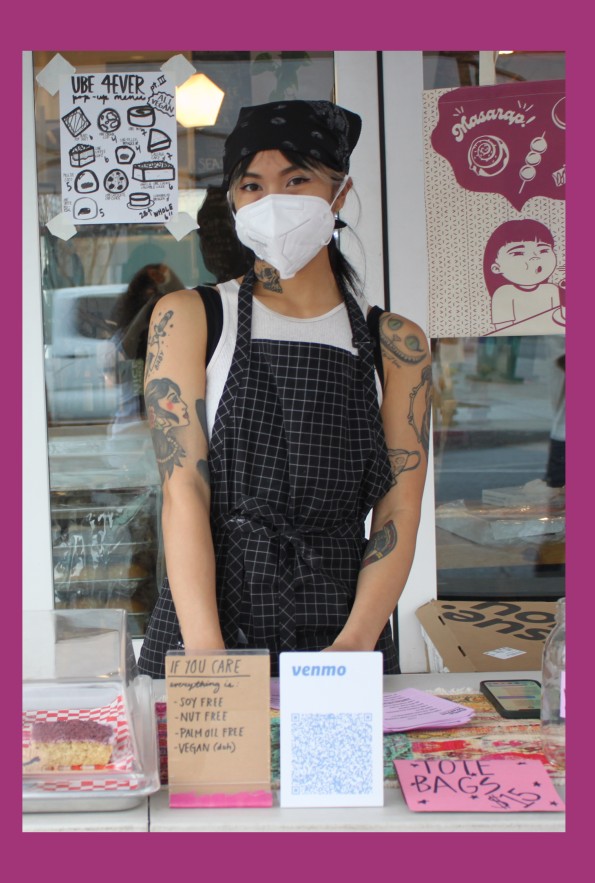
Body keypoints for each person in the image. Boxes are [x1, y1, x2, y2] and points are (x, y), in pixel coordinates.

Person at [138, 99, 430, 678]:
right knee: (202, 776)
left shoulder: (396, 341)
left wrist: (354, 645)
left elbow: (399, 508)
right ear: (234, 201)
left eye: (296, 180)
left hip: (345, 620)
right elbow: (183, 493)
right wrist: (207, 657)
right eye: (252, 185)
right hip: (208, 615)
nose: (273, 202)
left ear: (339, 193)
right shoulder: (191, 317)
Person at [483, 219, 562, 332]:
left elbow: (558, 321)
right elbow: (503, 330)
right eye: (518, 253)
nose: (535, 257)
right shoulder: (503, 294)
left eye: (543, 250)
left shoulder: (552, 290)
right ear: (496, 268)